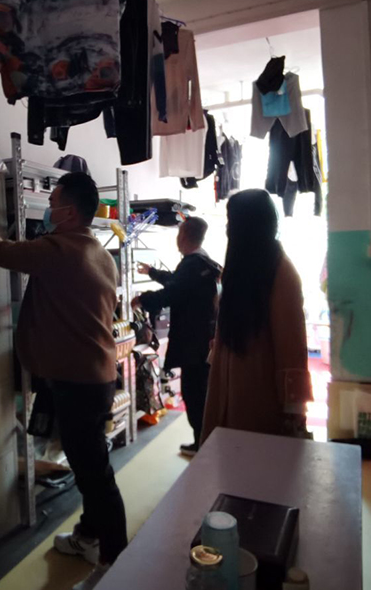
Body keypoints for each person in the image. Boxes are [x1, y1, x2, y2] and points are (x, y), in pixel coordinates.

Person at [0, 172, 126, 590]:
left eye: (55, 201)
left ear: (70, 212)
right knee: (89, 466)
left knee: (95, 476)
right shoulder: (100, 252)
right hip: (95, 377)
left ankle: (113, 563)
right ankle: (88, 536)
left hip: (80, 382)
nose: (50, 209)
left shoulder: (60, 250)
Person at [201, 189, 313, 445]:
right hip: (226, 387)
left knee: (253, 462)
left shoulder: (282, 273)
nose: (227, 228)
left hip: (260, 396)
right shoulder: (239, 269)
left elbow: (292, 350)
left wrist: (295, 412)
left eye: (231, 221)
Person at [132, 217, 220, 454]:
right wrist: (152, 272)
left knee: (193, 393)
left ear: (183, 236)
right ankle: (205, 440)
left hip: (194, 342)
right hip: (206, 339)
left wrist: (142, 299)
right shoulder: (205, 262)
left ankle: (202, 444)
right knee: (201, 391)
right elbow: (178, 282)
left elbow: (172, 292)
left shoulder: (191, 265)